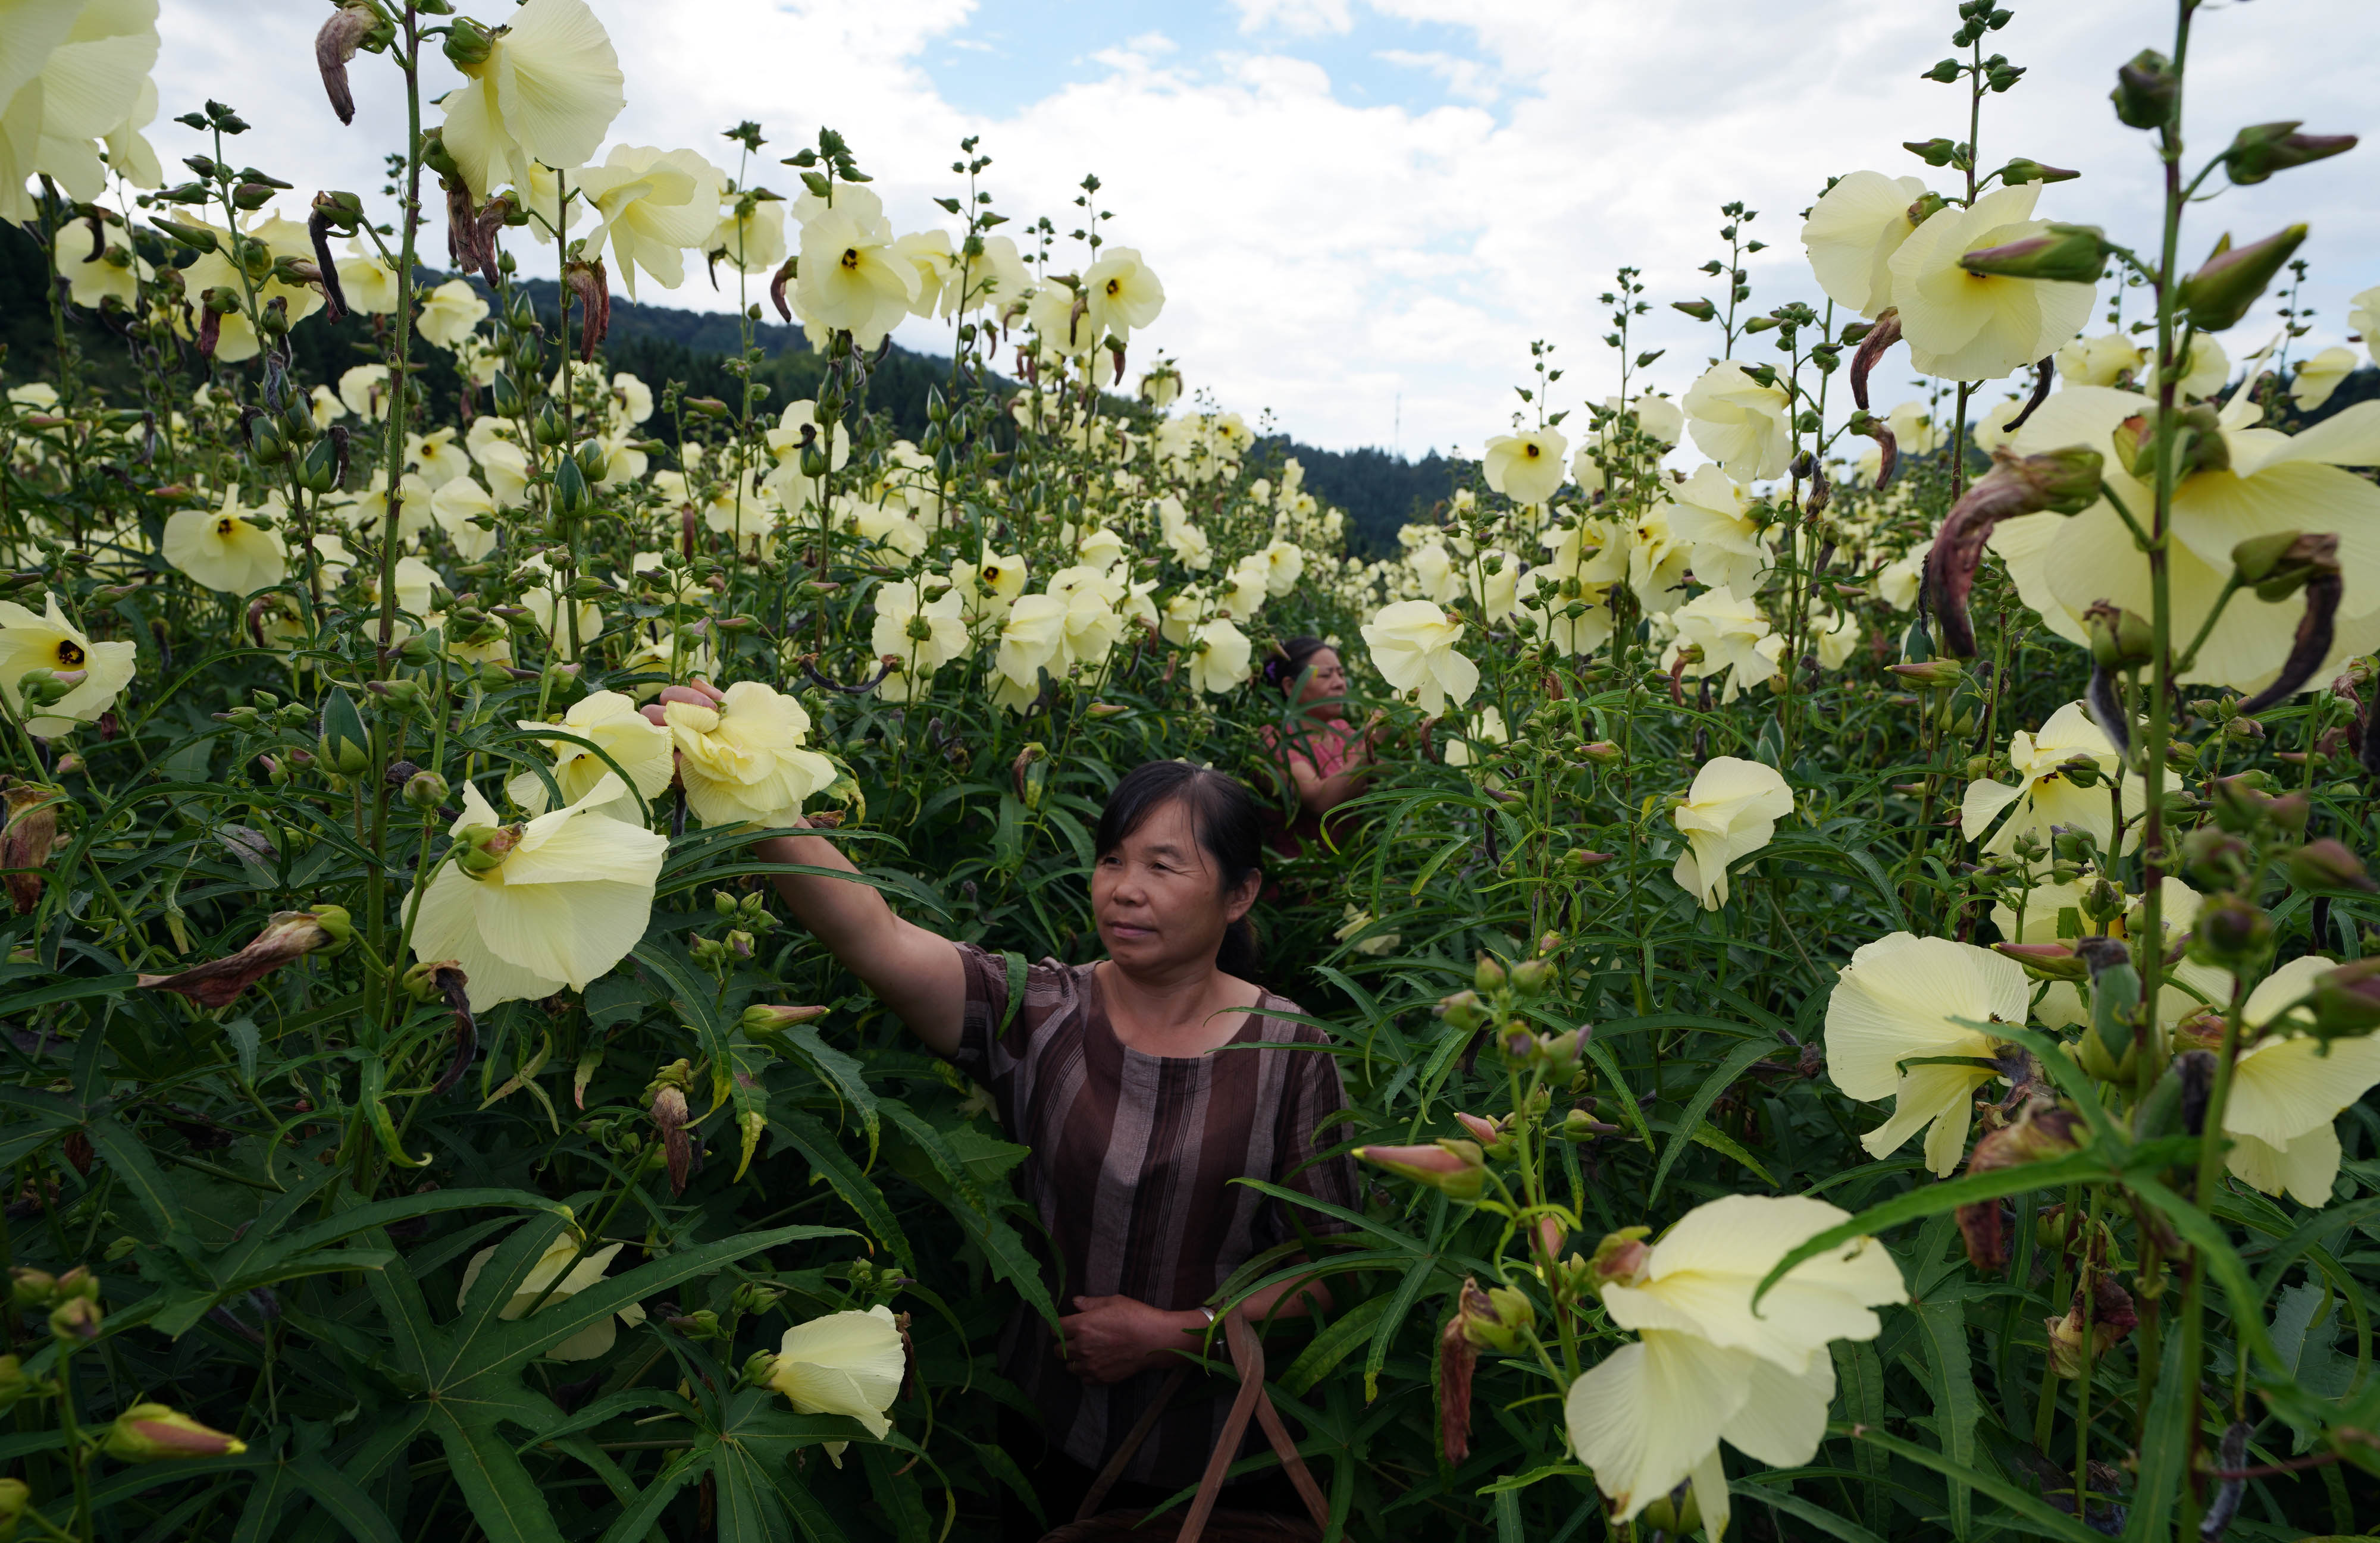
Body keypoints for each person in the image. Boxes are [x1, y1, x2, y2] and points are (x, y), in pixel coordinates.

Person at [756, 760, 1358, 1538]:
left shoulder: (1289, 1049)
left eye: (1163, 865)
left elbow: (1331, 1271)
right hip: (1050, 1432)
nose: (1125, 888)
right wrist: (745, 786)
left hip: (1223, 1458)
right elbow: (877, 933)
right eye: (1112, 858)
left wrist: (1177, 1332)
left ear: (1240, 893)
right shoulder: (1040, 1010)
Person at [1258, 636, 1385, 860]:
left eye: (1341, 674)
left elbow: (1388, 778)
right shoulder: (1272, 738)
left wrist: (1406, 741)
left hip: (1351, 871)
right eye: (1326, 675)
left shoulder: (1341, 729)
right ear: (1290, 686)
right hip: (1301, 874)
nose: (1340, 684)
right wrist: (1373, 742)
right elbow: (1319, 802)